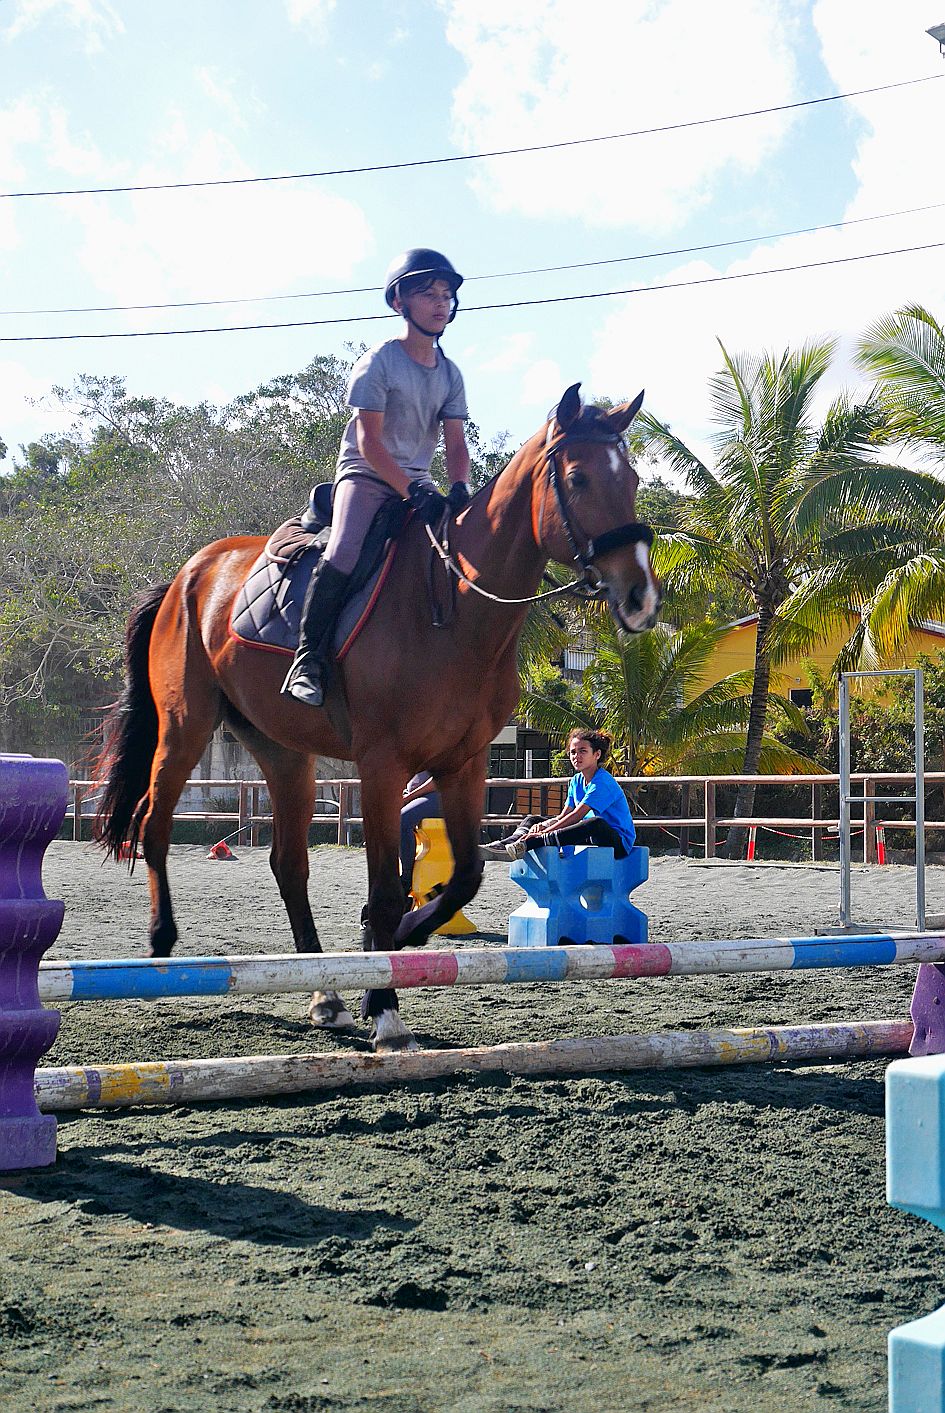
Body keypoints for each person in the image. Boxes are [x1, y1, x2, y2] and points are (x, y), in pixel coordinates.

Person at [282, 247, 472, 707]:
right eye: (428, 294)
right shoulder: (379, 362)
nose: (440, 303)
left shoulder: (450, 374)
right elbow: (370, 442)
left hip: (418, 480)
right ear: (399, 303)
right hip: (366, 475)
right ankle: (307, 662)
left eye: (446, 294)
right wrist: (409, 490)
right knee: (345, 551)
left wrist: (460, 488)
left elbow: (455, 443)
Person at [485, 729, 635, 861]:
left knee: (596, 823)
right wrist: (542, 825)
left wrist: (543, 832)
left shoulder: (602, 782)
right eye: (573, 752)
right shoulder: (576, 780)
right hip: (587, 836)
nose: (577, 756)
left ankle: (528, 844)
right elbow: (564, 816)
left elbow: (577, 815)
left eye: (583, 751)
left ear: (597, 754)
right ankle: (505, 844)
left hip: (617, 844)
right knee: (532, 819)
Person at [399, 770, 442, 899]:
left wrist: (409, 797)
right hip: (422, 794)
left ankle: (406, 878)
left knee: (402, 819)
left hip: (442, 793)